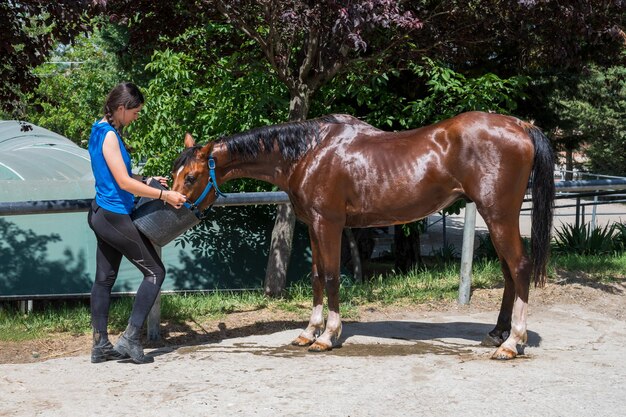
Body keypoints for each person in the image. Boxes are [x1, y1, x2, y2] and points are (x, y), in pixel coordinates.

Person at [87, 82, 187, 364]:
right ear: (121, 108)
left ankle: (100, 345)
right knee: (155, 271)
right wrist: (163, 194)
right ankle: (130, 338)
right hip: (113, 214)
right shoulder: (109, 136)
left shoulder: (99, 129)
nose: (136, 117)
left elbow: (116, 175)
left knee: (104, 279)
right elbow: (122, 182)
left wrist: (146, 180)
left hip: (101, 213)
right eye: (135, 112)